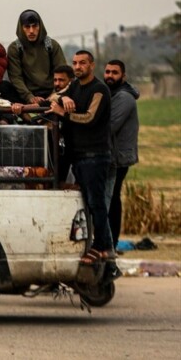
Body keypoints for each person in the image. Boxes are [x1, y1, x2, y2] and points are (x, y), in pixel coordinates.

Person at [45, 51, 118, 277]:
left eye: (82, 63)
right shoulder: (74, 86)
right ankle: (97, 246)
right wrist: (62, 99)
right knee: (87, 202)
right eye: (75, 63)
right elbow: (52, 97)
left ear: (92, 65)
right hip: (79, 156)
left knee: (97, 204)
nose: (78, 66)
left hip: (95, 155)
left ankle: (103, 247)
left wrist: (64, 113)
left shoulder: (99, 90)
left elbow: (89, 117)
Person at [103, 59, 139, 249]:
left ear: (123, 76)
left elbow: (109, 126)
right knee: (110, 199)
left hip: (119, 158)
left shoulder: (124, 97)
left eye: (114, 72)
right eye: (107, 72)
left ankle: (113, 242)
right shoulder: (112, 93)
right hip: (113, 155)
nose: (109, 75)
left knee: (112, 199)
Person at [7, 10, 67, 104]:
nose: (31, 31)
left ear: (40, 27)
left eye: (35, 26)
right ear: (21, 28)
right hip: (25, 95)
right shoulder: (15, 48)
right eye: (27, 27)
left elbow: (62, 72)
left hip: (53, 93)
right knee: (4, 87)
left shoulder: (51, 45)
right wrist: (29, 97)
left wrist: (55, 94)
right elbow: (16, 77)